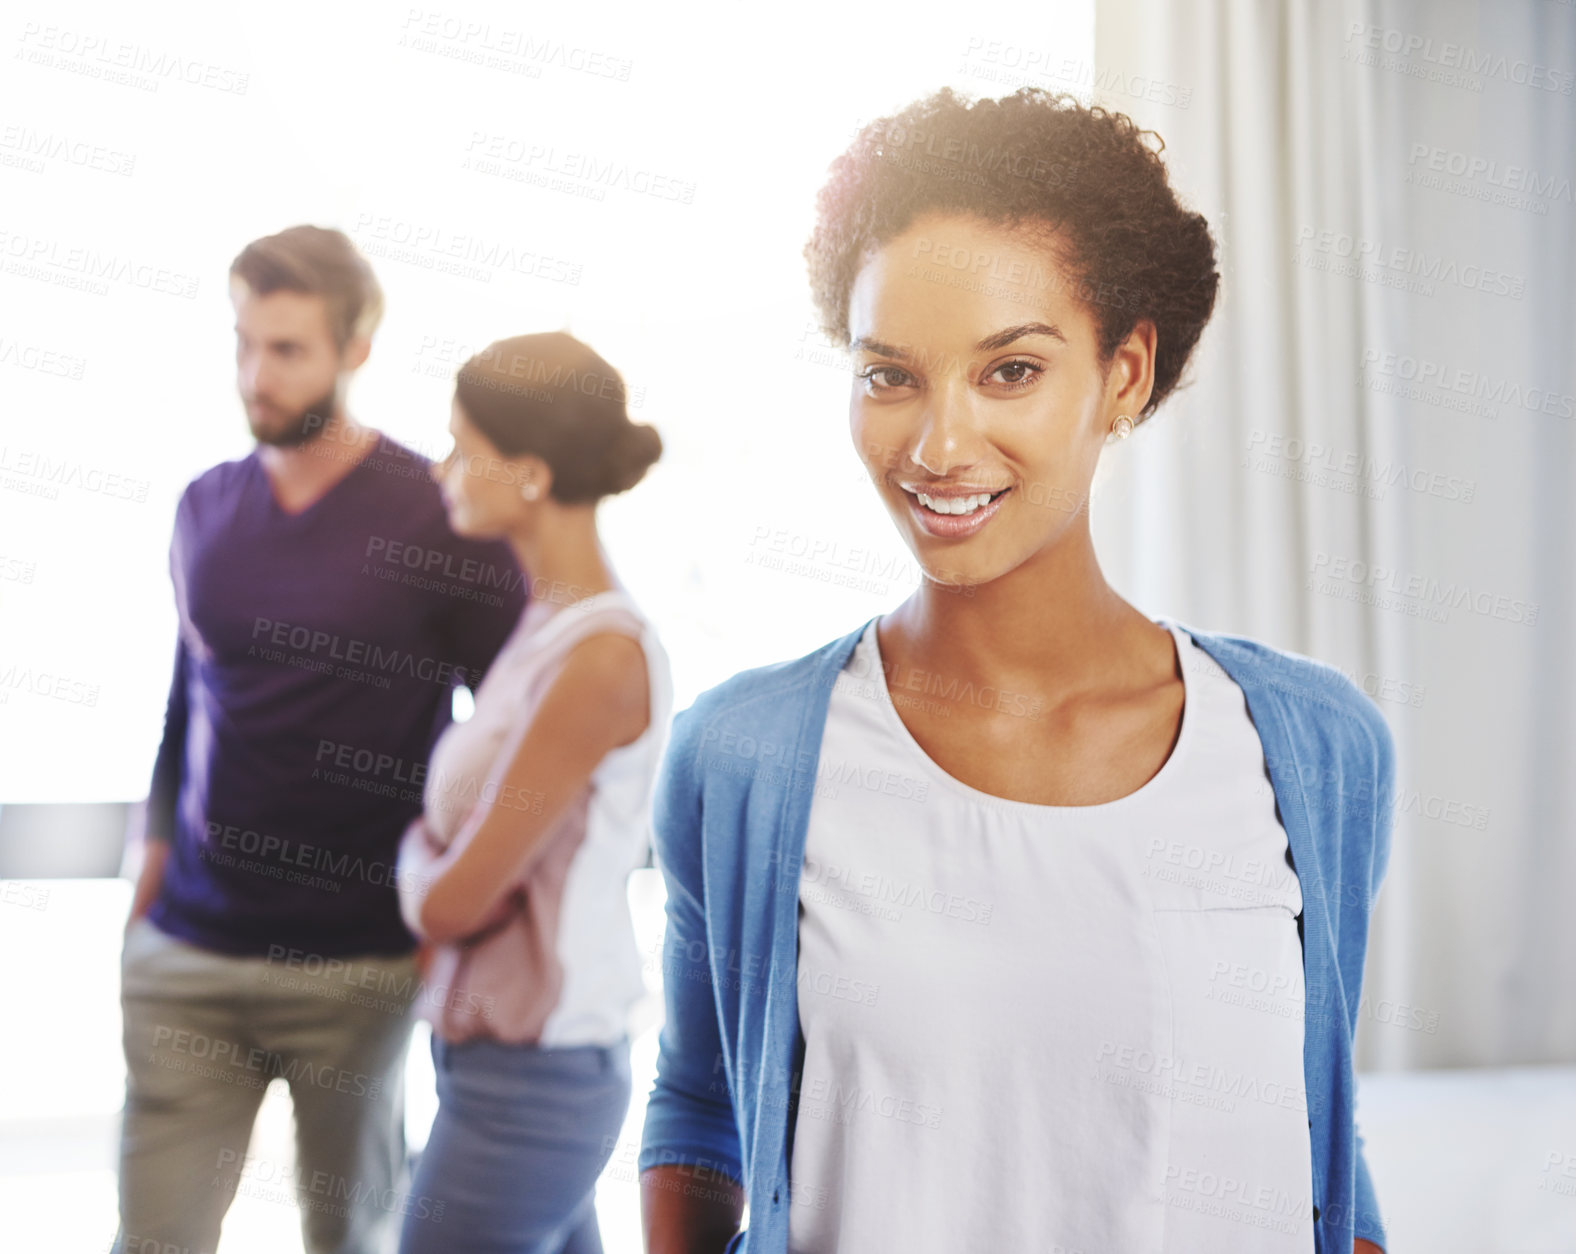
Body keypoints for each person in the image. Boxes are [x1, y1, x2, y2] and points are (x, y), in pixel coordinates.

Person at [638, 88, 1392, 1254]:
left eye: (1010, 372)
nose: (938, 446)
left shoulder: (1315, 749)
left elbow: (1320, 1147)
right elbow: (699, 1114)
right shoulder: (740, 758)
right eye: (890, 376)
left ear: (1125, 375)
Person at [116, 225, 528, 1254]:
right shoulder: (204, 508)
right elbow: (187, 702)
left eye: (288, 348)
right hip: (189, 957)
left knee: (355, 1238)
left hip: (363, 966)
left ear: (356, 351)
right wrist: (147, 879)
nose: (258, 374)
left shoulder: (438, 517)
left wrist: (452, 917)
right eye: (244, 343)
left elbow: (522, 727)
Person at [393, 332, 671, 1254]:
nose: (443, 470)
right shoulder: (541, 626)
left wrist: (412, 861)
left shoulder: (598, 657)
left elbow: (459, 899)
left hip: (538, 1077)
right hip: (496, 1062)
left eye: (461, 446)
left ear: (529, 473)